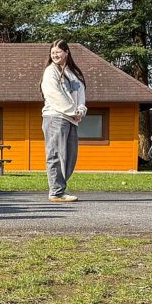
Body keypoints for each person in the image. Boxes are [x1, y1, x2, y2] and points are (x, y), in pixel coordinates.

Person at [41, 40, 87, 202]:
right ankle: (56, 191)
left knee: (70, 156)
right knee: (55, 154)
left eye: (58, 52)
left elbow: (80, 94)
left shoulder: (73, 73)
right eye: (52, 52)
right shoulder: (50, 71)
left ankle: (60, 188)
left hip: (72, 119)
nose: (55, 55)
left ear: (66, 52)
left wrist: (80, 110)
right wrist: (72, 111)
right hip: (55, 117)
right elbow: (53, 94)